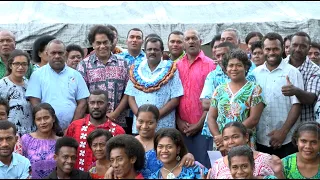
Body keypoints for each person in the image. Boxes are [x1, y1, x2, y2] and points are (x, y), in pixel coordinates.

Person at [253, 32, 304, 158]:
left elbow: (297, 105)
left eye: (275, 49)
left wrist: (283, 132)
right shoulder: (255, 74)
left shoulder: (292, 72)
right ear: (263, 50)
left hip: (286, 140)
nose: (271, 52)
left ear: (282, 49)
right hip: (260, 139)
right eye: (268, 49)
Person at [207, 49, 265, 151]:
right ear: (225, 69)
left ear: (246, 67)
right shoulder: (220, 89)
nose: (234, 68)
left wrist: (230, 136)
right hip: (222, 143)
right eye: (230, 65)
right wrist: (219, 138)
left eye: (238, 65)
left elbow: (254, 119)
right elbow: (211, 117)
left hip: (243, 142)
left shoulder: (255, 89)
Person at [26, 39, 90, 131]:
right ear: (47, 54)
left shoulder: (76, 75)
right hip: (46, 130)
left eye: (60, 53)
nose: (57, 56)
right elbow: (35, 102)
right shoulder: (37, 75)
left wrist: (71, 127)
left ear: (65, 54)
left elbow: (82, 102)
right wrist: (46, 123)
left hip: (72, 130)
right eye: (53, 53)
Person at [125, 37, 183, 134]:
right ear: (145, 51)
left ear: (162, 51)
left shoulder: (171, 70)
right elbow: (130, 97)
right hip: (140, 127)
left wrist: (155, 116)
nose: (152, 52)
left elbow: (175, 99)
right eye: (149, 49)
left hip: (164, 126)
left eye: (156, 49)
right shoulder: (136, 69)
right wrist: (141, 118)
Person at [77, 25, 129, 131]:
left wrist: (115, 113)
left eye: (105, 42)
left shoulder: (123, 63)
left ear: (111, 42)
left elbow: (128, 92)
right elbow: (82, 95)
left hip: (117, 121)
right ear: (92, 44)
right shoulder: (84, 65)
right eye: (98, 43)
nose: (102, 46)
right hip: (93, 121)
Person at [176, 29, 216, 168]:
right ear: (183, 44)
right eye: (187, 39)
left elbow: (213, 99)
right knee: (183, 168)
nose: (191, 41)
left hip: (204, 127)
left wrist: (199, 124)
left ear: (200, 41)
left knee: (203, 167)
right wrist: (178, 121)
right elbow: (174, 96)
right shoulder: (177, 65)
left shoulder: (211, 65)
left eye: (194, 38)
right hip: (181, 128)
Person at [65, 90, 125, 171]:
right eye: (92, 103)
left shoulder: (118, 131)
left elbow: (122, 158)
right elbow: (65, 152)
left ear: (108, 106)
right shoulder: (75, 126)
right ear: (88, 105)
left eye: (100, 103)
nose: (96, 106)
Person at [135, 104, 196, 178]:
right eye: (140, 121)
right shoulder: (130, 143)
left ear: (157, 122)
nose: (144, 126)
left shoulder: (164, 141)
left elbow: (181, 155)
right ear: (136, 120)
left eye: (150, 123)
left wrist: (189, 155)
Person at [210, 122, 275, 179]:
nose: (230, 142)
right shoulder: (218, 164)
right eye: (226, 139)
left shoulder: (265, 159)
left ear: (246, 137)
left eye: (235, 137)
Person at [283, 32, 320, 122]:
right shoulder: (280, 65)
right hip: (280, 123)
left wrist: (295, 91)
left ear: (309, 48)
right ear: (289, 46)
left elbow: (310, 98)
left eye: (303, 46)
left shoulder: (315, 70)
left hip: (304, 125)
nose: (298, 49)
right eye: (295, 45)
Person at [21, 103, 62, 179]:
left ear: (53, 118)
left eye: (46, 118)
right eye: (38, 119)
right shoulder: (26, 139)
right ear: (35, 121)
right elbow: (20, 165)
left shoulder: (60, 142)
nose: (43, 122)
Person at [0, 49, 36, 136]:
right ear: (10, 65)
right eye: (16, 64)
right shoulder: (2, 85)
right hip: (9, 134)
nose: (20, 67)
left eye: (24, 64)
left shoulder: (30, 84)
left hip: (30, 134)